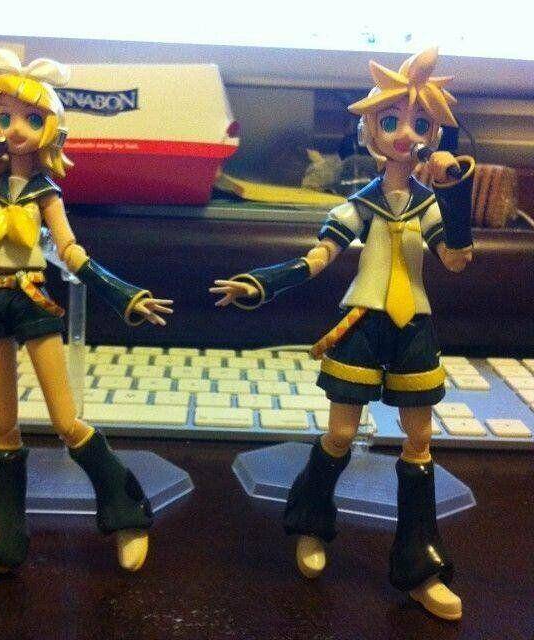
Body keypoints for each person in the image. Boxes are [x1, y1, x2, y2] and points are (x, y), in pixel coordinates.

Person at [210, 47, 474, 621]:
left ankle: (421, 566)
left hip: (413, 325)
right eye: (391, 120)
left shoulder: (430, 205)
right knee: (339, 433)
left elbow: (455, 260)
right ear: (369, 129)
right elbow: (319, 257)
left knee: (419, 443)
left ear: (433, 134)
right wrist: (263, 283)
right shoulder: (361, 204)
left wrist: (456, 196)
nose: (404, 135)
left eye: (419, 124)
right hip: (362, 322)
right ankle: (310, 520)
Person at [0, 48, 173, 585]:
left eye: (31, 118)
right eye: (4, 118)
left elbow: (69, 250)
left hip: (33, 299)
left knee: (67, 422)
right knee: (4, 430)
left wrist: (121, 293)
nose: (16, 129)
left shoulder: (47, 192)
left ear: (50, 128)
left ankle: (127, 514)